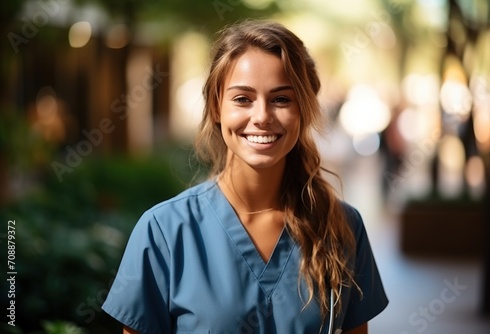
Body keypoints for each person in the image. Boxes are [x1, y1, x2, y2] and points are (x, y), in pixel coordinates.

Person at [101, 19, 388, 334]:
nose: (262, 116)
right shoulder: (164, 232)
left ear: (304, 109)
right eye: (242, 99)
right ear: (216, 107)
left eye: (281, 99)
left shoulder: (342, 228)